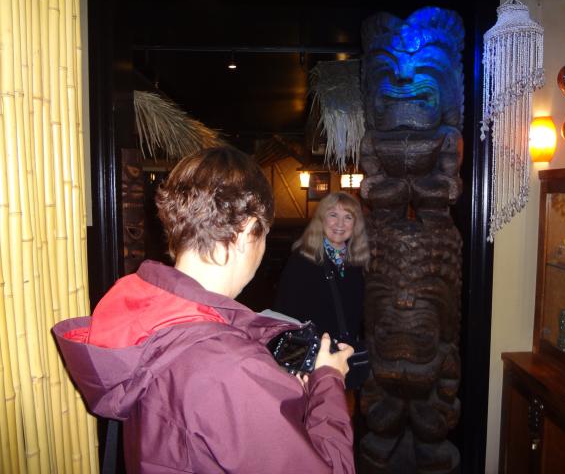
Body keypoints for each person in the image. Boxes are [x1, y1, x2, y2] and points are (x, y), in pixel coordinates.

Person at [52, 146, 355, 474]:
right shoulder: (232, 368)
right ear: (246, 231)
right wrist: (329, 380)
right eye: (263, 235)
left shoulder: (140, 309)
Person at [275, 192, 369, 390]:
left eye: (348, 217)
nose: (340, 223)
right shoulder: (302, 261)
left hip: (344, 358)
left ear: (356, 224)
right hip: (313, 362)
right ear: (321, 219)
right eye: (333, 215)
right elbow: (285, 314)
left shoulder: (358, 263)